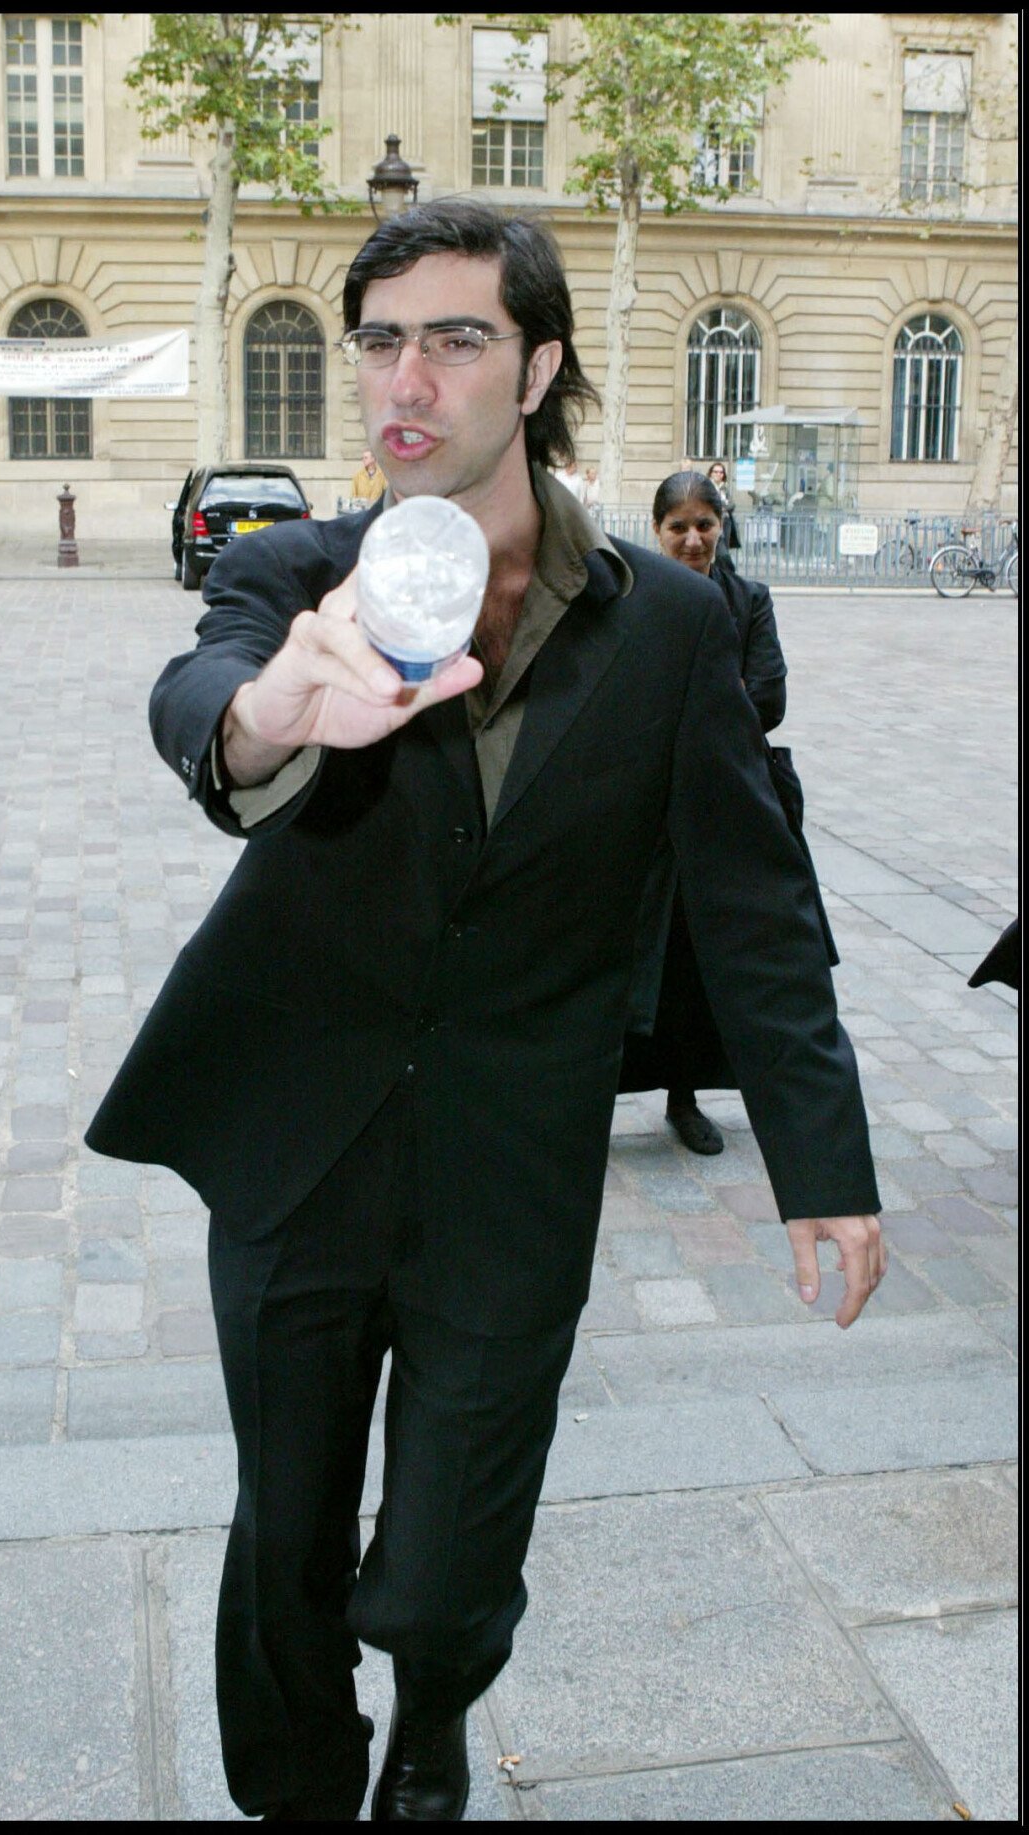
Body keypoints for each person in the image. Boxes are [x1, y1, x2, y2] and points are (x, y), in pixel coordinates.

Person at [86, 200, 885, 1824]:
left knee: (451, 1552)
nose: (408, 375)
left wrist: (826, 1160)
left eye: (455, 338)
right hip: (298, 1146)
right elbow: (205, 700)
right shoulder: (300, 572)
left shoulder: (670, 624)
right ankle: (304, 1792)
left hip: (507, 1169)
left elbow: (754, 907)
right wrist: (266, 715)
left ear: (538, 370)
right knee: (288, 1531)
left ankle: (432, 1732)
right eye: (382, 337)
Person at [619, 470, 838, 1154]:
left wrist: (691, 705)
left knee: (698, 957)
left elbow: (767, 699)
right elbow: (626, 697)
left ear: (722, 527)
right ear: (656, 531)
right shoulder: (631, 598)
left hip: (724, 807)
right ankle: (590, 1091)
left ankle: (684, 1097)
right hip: (644, 808)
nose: (692, 539)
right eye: (677, 526)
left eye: (704, 524)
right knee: (623, 954)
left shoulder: (750, 600)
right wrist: (717, 698)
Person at [706, 458, 742, 559]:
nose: (718, 474)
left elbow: (732, 505)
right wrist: (723, 505)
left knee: (724, 549)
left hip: (725, 521)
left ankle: (720, 571)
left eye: (721, 472)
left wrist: (723, 507)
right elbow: (712, 503)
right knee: (716, 550)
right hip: (712, 522)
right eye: (716, 472)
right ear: (711, 473)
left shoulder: (724, 488)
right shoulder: (707, 487)